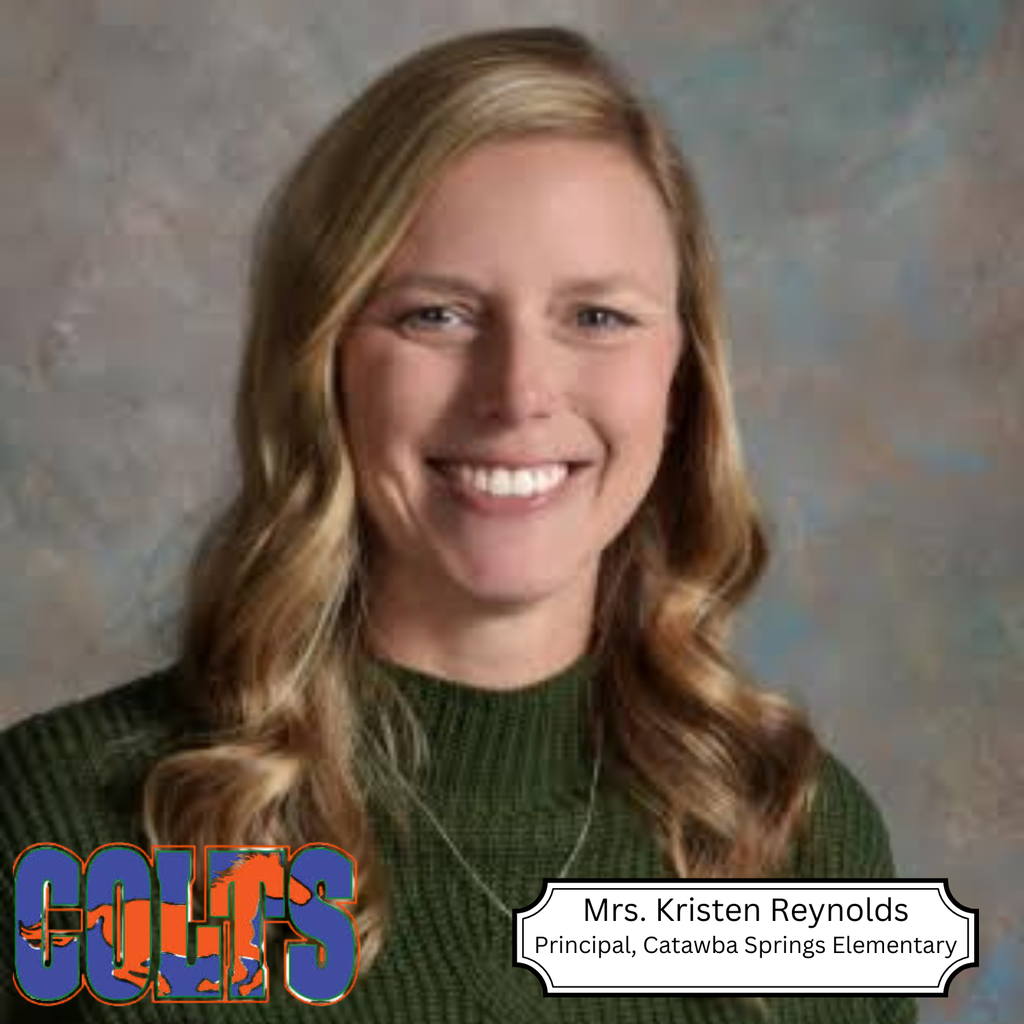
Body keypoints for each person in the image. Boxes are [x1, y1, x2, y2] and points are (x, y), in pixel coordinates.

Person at [0, 25, 917, 1023]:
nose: (518, 392)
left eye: (597, 317)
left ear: (681, 380)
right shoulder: (83, 841)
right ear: (321, 368)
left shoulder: (797, 842)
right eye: (435, 314)